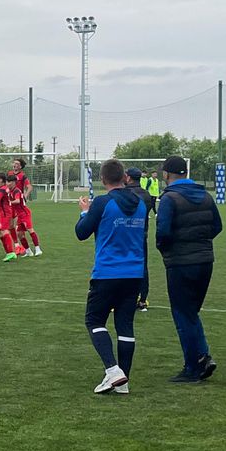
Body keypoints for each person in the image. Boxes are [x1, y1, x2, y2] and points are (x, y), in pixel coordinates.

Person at [76, 159, 149, 395]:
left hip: (108, 272)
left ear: (103, 179)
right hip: (134, 272)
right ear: (125, 177)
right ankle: (123, 381)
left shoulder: (102, 203)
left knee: (94, 321)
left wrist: (84, 212)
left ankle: (113, 369)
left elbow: (81, 233)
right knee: (125, 325)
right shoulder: (140, 204)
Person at [156, 155, 223, 383]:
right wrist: (200, 241)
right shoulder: (205, 195)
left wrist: (167, 250)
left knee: (182, 314)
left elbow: (163, 233)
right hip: (205, 261)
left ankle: (192, 367)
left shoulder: (169, 198)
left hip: (180, 263)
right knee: (191, 312)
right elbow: (217, 226)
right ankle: (203, 357)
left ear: (166, 174)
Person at [124, 166, 157, 311]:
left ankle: (123, 298)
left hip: (125, 235)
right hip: (141, 234)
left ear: (128, 178)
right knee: (142, 266)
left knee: (123, 265)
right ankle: (143, 299)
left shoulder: (125, 194)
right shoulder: (146, 195)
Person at [8, 161, 42, 257]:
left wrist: (25, 196)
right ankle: (26, 250)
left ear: (21, 167)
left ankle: (37, 249)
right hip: (17, 211)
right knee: (18, 232)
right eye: (14, 163)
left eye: (17, 164)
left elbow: (29, 187)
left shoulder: (22, 179)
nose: (15, 165)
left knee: (30, 229)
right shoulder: (10, 175)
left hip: (23, 211)